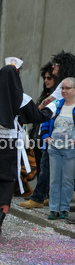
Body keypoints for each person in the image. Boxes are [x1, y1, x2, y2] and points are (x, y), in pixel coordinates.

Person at [0, 62, 42, 242]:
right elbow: (36, 116)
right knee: (6, 184)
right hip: (10, 146)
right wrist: (51, 107)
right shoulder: (23, 98)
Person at [23, 65, 57, 209]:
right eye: (45, 78)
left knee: (47, 168)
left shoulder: (56, 96)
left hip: (48, 136)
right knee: (40, 166)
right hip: (37, 134)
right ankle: (42, 194)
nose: (46, 80)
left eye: (49, 78)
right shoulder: (44, 95)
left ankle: (45, 196)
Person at [42, 78, 75, 219]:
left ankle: (64, 209)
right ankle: (54, 209)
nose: (64, 91)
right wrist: (45, 136)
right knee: (54, 179)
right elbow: (45, 120)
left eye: (67, 88)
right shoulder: (56, 105)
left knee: (67, 179)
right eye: (62, 88)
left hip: (70, 149)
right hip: (54, 147)